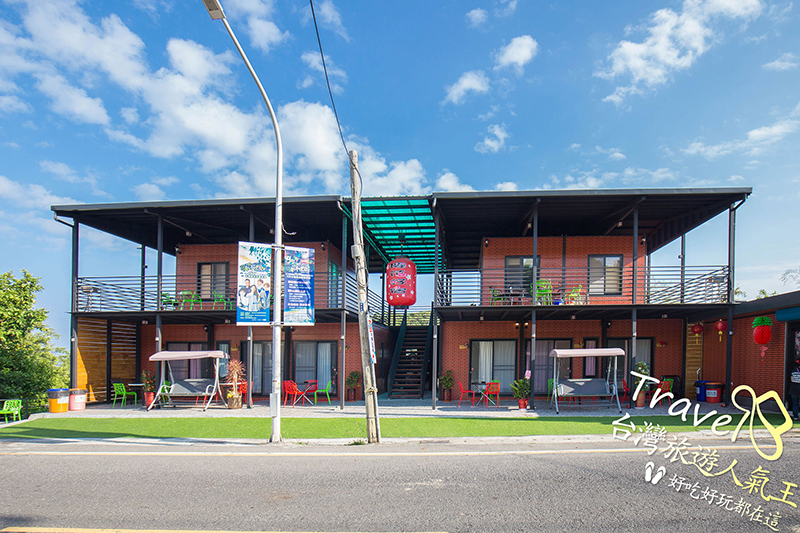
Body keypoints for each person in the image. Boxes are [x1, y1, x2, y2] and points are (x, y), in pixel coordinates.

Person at [790, 357, 800, 422]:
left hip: (793, 388)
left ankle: (795, 416)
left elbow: (791, 380)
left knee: (795, 403)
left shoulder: (793, 371)